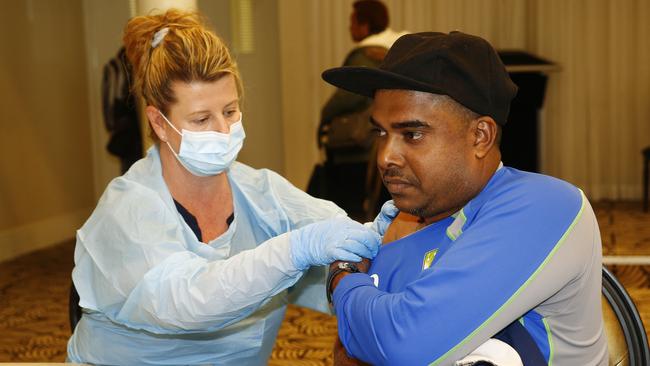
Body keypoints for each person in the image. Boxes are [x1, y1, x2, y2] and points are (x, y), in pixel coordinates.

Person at [66, 10, 394, 365]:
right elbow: (189, 301)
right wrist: (293, 250)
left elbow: (345, 255)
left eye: (230, 111)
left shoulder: (263, 194)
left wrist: (387, 236)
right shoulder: (128, 208)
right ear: (159, 123)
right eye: (202, 119)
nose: (223, 131)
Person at [322, 32, 608, 365]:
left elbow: (400, 342)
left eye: (411, 134)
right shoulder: (405, 220)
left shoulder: (547, 205)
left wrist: (341, 277)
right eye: (381, 133)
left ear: (480, 136)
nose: (385, 156)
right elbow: (350, 350)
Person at [313, 0, 407, 219]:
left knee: (349, 209)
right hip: (375, 142)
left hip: (355, 147)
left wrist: (324, 115)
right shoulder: (395, 51)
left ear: (365, 25)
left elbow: (345, 98)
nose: (349, 28)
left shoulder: (365, 55)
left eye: (352, 22)